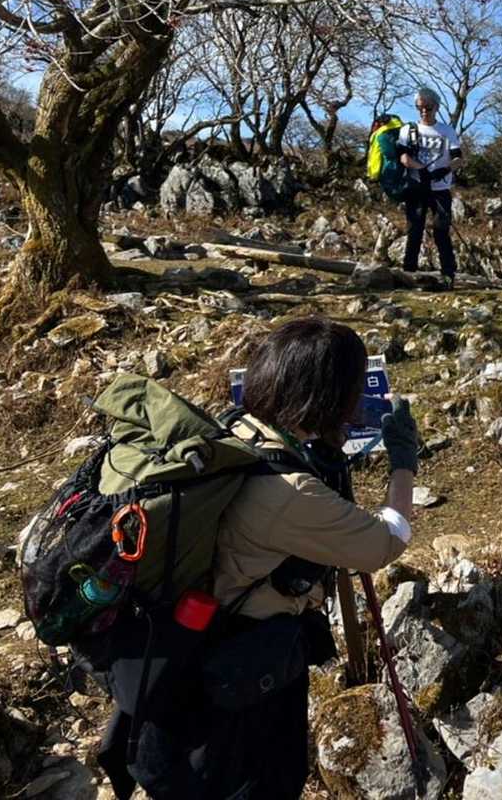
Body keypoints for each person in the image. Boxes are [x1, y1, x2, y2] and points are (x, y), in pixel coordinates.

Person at [97, 317, 422, 800]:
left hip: (183, 654)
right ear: (330, 398)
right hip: (244, 680)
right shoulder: (289, 492)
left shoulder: (233, 430)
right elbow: (385, 542)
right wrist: (403, 464)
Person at [397, 87, 462, 288]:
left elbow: (458, 158)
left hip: (440, 189)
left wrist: (444, 170)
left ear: (436, 107)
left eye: (428, 107)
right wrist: (420, 169)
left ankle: (448, 275)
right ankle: (408, 272)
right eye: (420, 107)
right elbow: (403, 156)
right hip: (416, 188)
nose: (424, 111)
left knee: (441, 231)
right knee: (414, 230)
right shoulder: (408, 130)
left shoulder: (447, 131)